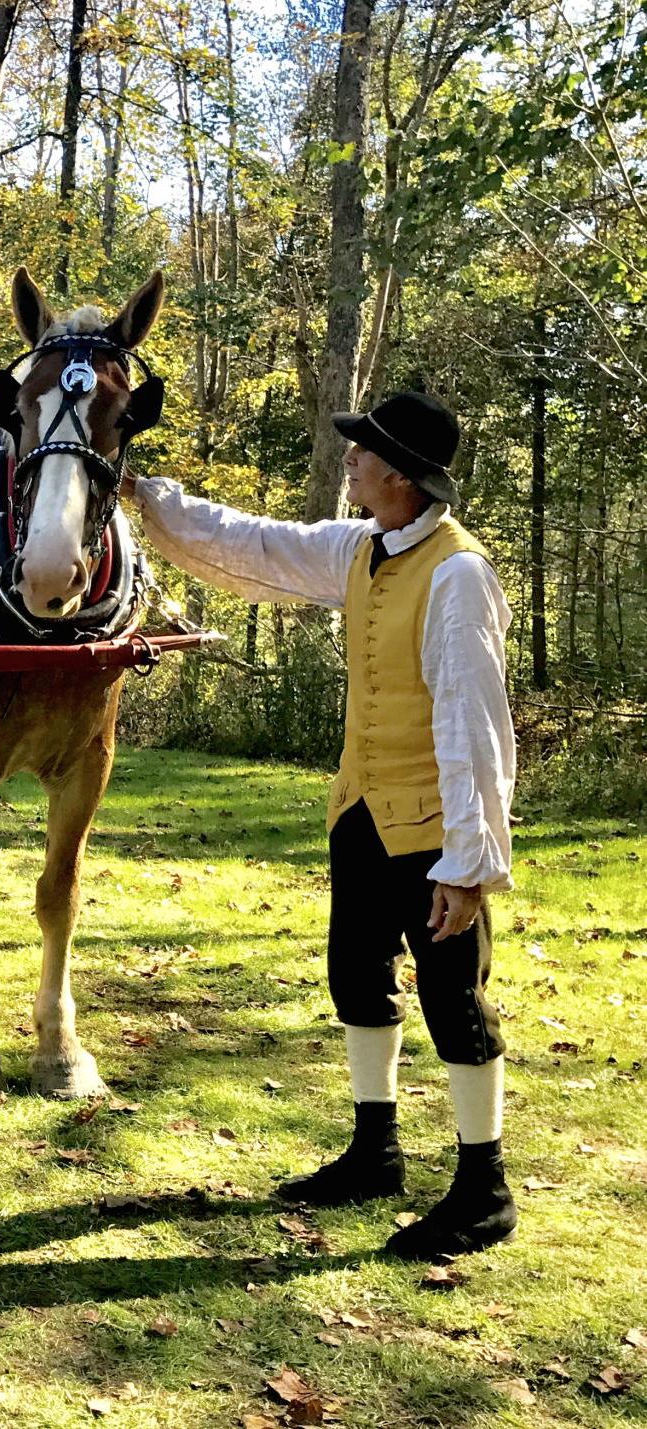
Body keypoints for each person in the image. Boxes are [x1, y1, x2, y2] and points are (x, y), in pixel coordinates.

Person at [126, 391, 517, 1260]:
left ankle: (482, 1188)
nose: (347, 461)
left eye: (361, 452)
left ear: (400, 475)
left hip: (431, 828)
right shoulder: (360, 548)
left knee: (453, 1000)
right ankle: (374, 1150)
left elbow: (473, 720)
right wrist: (147, 496)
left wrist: (467, 861)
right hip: (360, 813)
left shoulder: (457, 572)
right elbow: (255, 543)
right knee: (357, 977)